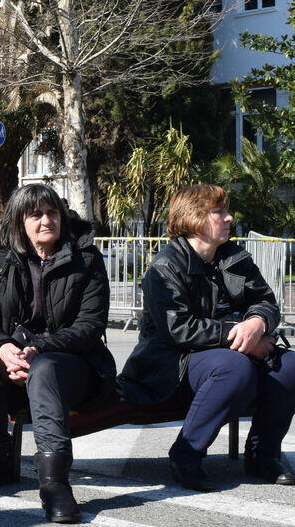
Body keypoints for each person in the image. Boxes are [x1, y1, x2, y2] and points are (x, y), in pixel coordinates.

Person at [119, 184, 295, 491]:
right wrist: (241, 337)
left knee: (290, 364)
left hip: (223, 355)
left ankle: (262, 455)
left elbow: (266, 302)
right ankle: (186, 455)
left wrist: (256, 322)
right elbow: (179, 329)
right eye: (220, 212)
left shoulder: (235, 258)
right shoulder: (166, 266)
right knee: (232, 367)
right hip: (169, 367)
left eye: (227, 211)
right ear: (194, 217)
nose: (229, 218)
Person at [0, 183, 115, 524]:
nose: (46, 220)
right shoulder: (3, 261)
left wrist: (37, 349)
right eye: (36, 215)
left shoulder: (85, 258)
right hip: (22, 355)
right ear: (19, 222)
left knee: (44, 369)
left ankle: (54, 483)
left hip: (77, 365)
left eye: (53, 212)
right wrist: (4, 349)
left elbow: (90, 326)